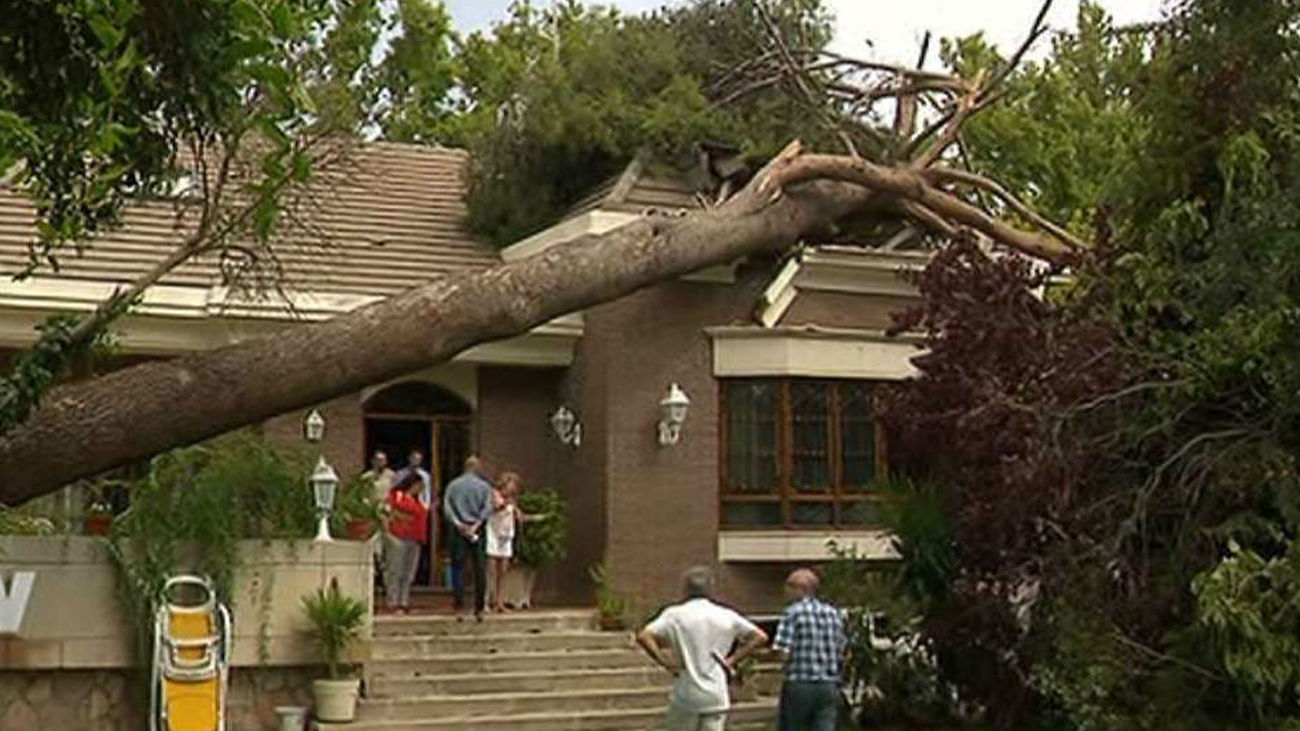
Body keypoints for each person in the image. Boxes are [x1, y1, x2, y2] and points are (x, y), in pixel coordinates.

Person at [636, 566, 769, 731]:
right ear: (711, 589)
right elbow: (760, 636)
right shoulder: (725, 614)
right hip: (716, 691)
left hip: (687, 691)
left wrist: (666, 662)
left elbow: (644, 636)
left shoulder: (675, 615)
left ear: (685, 589)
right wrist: (732, 660)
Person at [772, 568, 846, 731]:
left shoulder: (792, 613)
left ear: (802, 589)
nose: (785, 590)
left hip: (800, 681)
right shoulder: (833, 613)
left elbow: (783, 652)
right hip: (828, 684)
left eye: (789, 586)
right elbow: (842, 649)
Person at [485, 472, 549, 613]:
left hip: (506, 536)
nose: (512, 489)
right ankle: (490, 600)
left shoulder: (512, 501)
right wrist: (506, 503)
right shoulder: (494, 494)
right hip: (494, 534)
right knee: (492, 570)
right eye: (511, 486)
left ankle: (500, 602)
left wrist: (537, 518)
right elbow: (494, 508)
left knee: (503, 571)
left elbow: (520, 516)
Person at [442, 455, 493, 620]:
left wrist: (459, 524)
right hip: (477, 529)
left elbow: (447, 507)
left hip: (459, 529)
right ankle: (479, 607)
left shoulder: (453, 485)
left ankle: (459, 604)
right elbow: (487, 508)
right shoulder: (484, 487)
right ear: (477, 468)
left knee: (458, 567)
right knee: (480, 568)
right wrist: (476, 525)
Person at [383, 471, 428, 614]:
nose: (421, 489)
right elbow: (387, 512)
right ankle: (392, 602)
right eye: (420, 485)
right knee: (395, 570)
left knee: (408, 572)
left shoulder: (417, 501)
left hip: (414, 539)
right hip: (398, 537)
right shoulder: (396, 495)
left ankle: (404, 601)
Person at [362, 450, 396, 591]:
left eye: (383, 460)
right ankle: (374, 581)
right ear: (373, 461)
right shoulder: (366, 477)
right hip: (372, 515)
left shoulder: (391, 476)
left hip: (388, 516)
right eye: (378, 460)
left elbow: (395, 494)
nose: (380, 463)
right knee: (374, 547)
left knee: (390, 549)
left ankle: (388, 583)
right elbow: (363, 496)